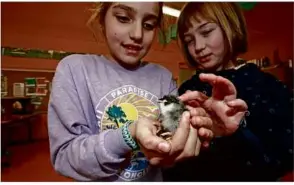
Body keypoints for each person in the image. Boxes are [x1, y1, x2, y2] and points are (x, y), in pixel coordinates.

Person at [47, 2, 230, 182]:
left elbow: (173, 147)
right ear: (102, 17)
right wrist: (128, 135)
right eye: (123, 18)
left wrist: (201, 126)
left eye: (149, 25)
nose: (137, 34)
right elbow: (65, 158)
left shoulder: (163, 77)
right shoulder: (74, 69)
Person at [163, 2, 294, 181]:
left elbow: (285, 156)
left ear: (229, 26)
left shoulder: (268, 86)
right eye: (189, 40)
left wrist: (238, 131)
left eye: (206, 32)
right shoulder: (186, 90)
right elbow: (169, 162)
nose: (198, 46)